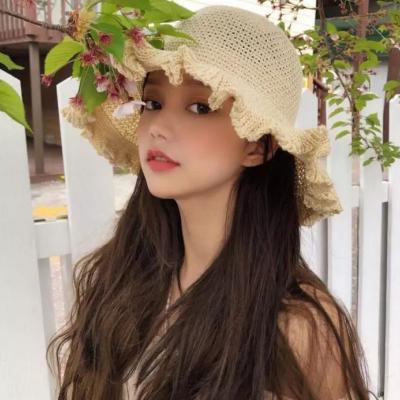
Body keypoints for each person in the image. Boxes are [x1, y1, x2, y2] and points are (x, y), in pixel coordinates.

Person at [49, 5, 371, 400]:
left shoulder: (298, 328)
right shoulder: (117, 281)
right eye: (153, 103)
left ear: (258, 146)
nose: (159, 128)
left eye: (200, 107)